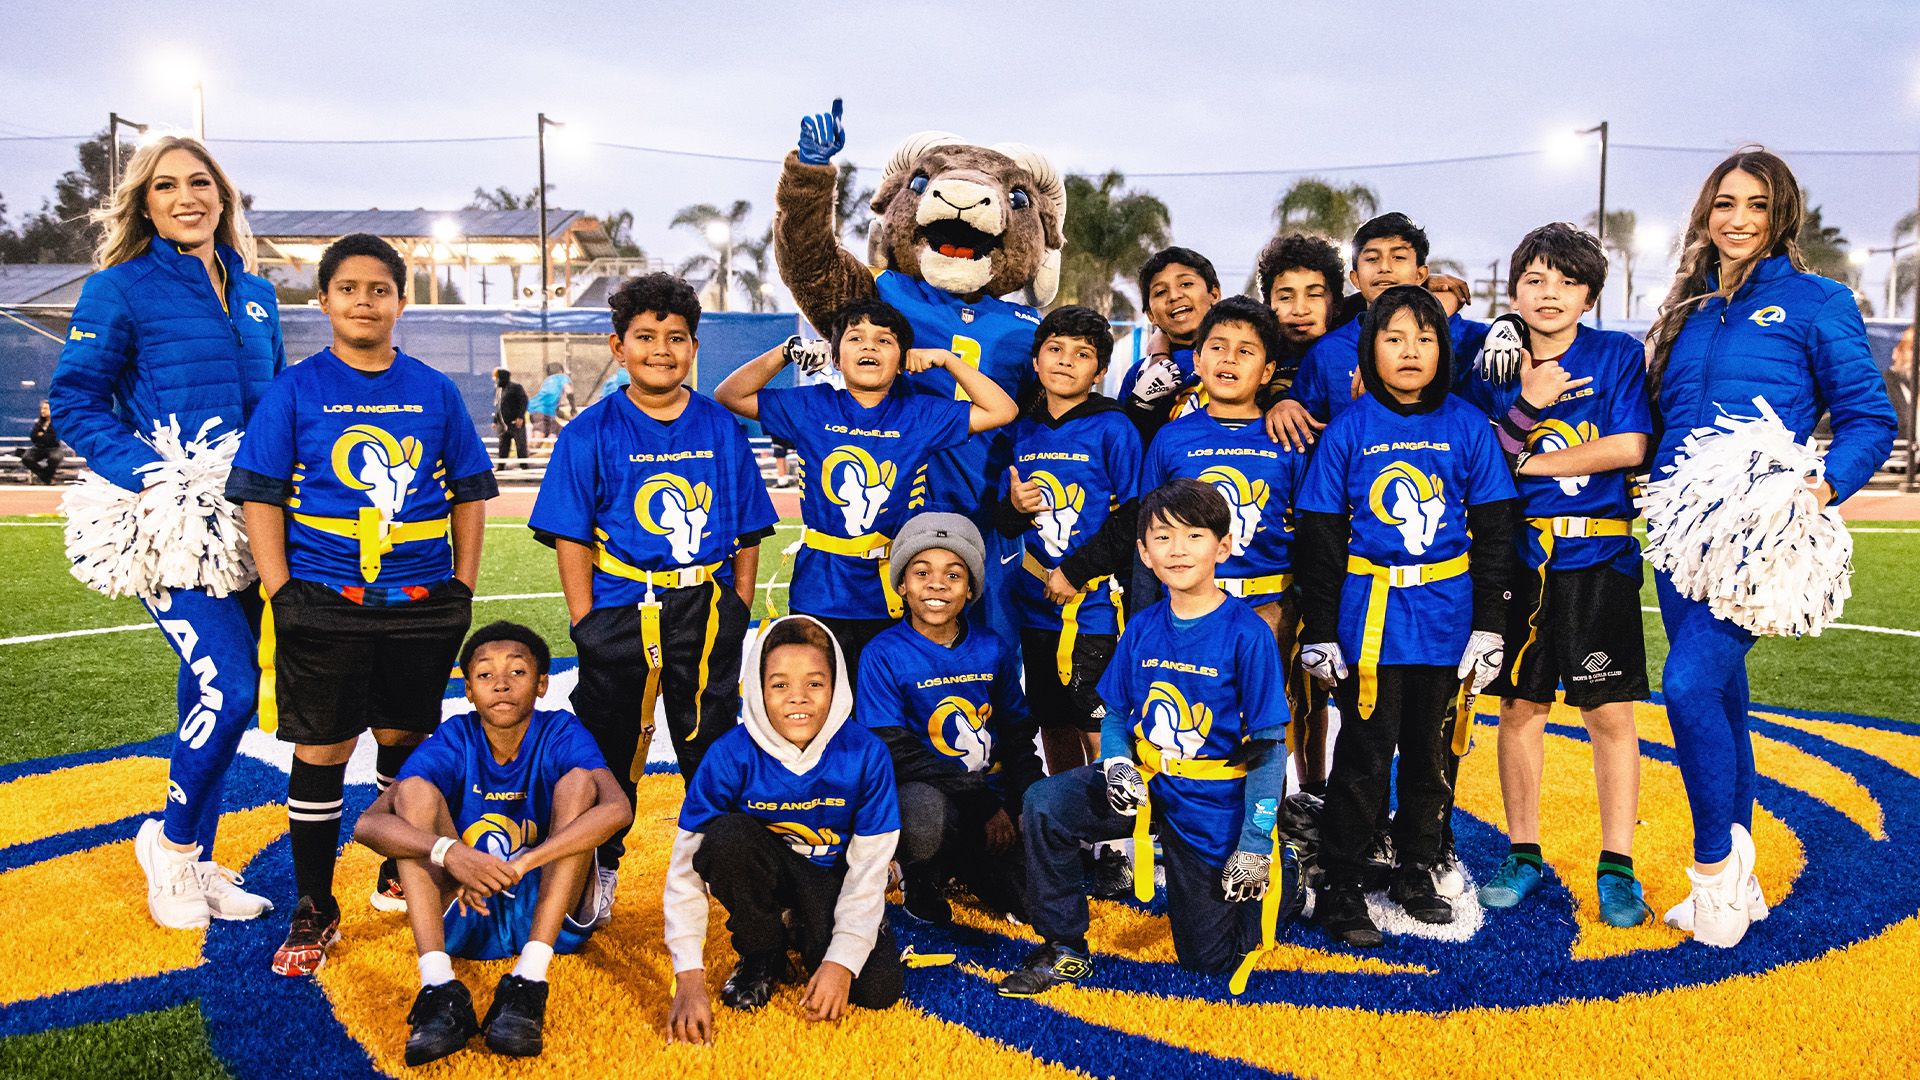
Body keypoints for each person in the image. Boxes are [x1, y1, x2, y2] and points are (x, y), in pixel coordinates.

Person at [1642, 149, 1896, 947]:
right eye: (1724, 203)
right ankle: (1742, 885)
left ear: (1781, 212)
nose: (1738, 218)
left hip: (1757, 535)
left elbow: (1869, 417)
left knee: (1684, 687)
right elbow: (1662, 419)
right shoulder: (1685, 307)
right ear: (1705, 213)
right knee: (1721, 699)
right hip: (1678, 534)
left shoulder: (1820, 302)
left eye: (1756, 203)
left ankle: (1715, 873)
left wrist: (1818, 489)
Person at [227, 232, 495, 975]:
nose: (365, 301)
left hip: (418, 599)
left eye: (380, 289)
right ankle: (314, 901)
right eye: (349, 289)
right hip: (324, 597)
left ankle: (395, 866)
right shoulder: (294, 389)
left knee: (404, 739)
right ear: (324, 301)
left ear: (401, 303)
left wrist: (461, 587)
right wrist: (283, 592)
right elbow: (261, 495)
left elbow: (471, 491)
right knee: (322, 749)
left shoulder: (434, 389)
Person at [50, 136, 284, 930]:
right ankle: (174, 849)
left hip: (251, 518)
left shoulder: (257, 295)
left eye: (200, 182)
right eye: (165, 186)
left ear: (223, 195)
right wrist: (151, 476)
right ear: (143, 204)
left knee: (212, 693)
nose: (187, 197)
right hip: (169, 521)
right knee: (232, 683)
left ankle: (199, 855)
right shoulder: (119, 289)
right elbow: (77, 400)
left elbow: (273, 407)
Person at [528, 272, 777, 910]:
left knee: (712, 742)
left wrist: (739, 606)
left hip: (706, 607)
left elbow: (749, 531)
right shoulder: (589, 431)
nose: (660, 349)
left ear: (694, 347)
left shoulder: (721, 428)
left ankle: (726, 866)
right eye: (645, 337)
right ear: (617, 347)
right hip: (620, 608)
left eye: (675, 337)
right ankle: (599, 864)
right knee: (610, 747)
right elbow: (571, 537)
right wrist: (586, 622)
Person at [999, 479, 1293, 996]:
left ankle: (1287, 871)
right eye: (1163, 536)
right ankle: (1064, 945)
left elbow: (1268, 748)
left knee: (1210, 960)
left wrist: (1253, 846)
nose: (1178, 549)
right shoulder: (1141, 626)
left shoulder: (1248, 633)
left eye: (1194, 535)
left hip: (1211, 796)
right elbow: (1115, 714)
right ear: (1143, 552)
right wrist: (1115, 763)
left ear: (1223, 547)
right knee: (1045, 801)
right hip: (1145, 781)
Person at [1293, 285, 1516, 948]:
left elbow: (1497, 527)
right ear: (1370, 351)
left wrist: (1492, 622)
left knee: (1431, 751)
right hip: (1371, 620)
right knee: (1364, 751)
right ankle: (1340, 878)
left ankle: (1415, 866)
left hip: (1446, 617)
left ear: (1444, 349)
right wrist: (1323, 629)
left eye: (1424, 337)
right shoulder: (1349, 430)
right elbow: (1322, 536)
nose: (1410, 350)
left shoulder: (1467, 425)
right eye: (1394, 338)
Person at [1454, 223, 1654, 927]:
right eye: (1535, 280)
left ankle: (1617, 865)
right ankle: (1523, 850)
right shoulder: (1489, 364)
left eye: (1567, 281)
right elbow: (1475, 452)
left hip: (1597, 556)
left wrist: (1528, 464)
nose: (1550, 294)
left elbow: (1628, 444)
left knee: (1609, 712)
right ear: (1513, 291)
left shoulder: (1617, 354)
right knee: (1519, 707)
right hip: (1519, 559)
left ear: (1590, 293)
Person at [353, 622, 631, 1065]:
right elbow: (368, 824)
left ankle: (530, 982)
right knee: (414, 794)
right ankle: (438, 986)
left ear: (542, 684)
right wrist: (452, 853)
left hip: (548, 908)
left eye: (517, 672)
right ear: (467, 689)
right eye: (485, 675)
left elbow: (618, 809)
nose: (500, 684)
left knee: (579, 785)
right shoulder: (455, 735)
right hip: (465, 906)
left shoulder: (560, 730)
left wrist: (527, 862)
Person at [715, 298, 1018, 673]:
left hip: (893, 591)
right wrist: (786, 351)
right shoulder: (812, 406)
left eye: (885, 340)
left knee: (885, 704)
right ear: (836, 358)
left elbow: (1002, 410)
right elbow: (729, 395)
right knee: (823, 700)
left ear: (904, 360)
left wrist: (948, 359)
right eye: (856, 338)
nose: (870, 346)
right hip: (819, 587)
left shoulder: (920, 413)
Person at [664, 615, 904, 1044]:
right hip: (766, 876)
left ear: (837, 687)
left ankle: (806, 930)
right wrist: (689, 979)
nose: (799, 698)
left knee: (876, 989)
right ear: (756, 690)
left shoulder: (865, 753)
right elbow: (685, 869)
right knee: (728, 838)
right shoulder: (728, 756)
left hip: (830, 883)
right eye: (779, 685)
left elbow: (868, 868)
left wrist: (841, 962)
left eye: (815, 683)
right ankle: (761, 953)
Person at [857, 513, 1039, 923]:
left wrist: (1028, 802)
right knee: (924, 814)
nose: (937, 584)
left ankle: (967, 865)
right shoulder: (882, 653)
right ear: (902, 584)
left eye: (953, 575)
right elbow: (895, 749)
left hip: (991, 799)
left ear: (972, 587)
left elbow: (1016, 731)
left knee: (1035, 904)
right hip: (941, 800)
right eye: (922, 573)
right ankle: (921, 871)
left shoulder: (992, 648)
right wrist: (981, 802)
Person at [993, 305, 1141, 774]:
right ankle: (1071, 830)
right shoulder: (1021, 429)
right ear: (1036, 362)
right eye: (1054, 349)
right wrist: (1013, 509)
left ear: (1099, 370)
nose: (1064, 361)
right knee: (1051, 720)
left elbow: (1135, 514)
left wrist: (1076, 571)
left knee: (1095, 720)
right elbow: (1006, 520)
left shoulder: (1114, 426)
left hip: (1092, 605)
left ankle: (1110, 837)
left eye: (1081, 354)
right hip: (1035, 605)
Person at [1251, 233, 1348, 791]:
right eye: (1285, 295)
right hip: (1271, 538)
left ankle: (1315, 792)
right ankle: (1280, 795)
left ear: (1335, 299)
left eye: (1314, 293)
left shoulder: (1357, 346)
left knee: (1322, 676)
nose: (1300, 307)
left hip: (1341, 533)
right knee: (1279, 679)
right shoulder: (1256, 350)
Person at [1268, 214, 1491, 450]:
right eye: (1372, 258)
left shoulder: (1459, 334)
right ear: (1354, 278)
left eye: (1398, 257)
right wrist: (1282, 401)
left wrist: (1508, 324)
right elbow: (1302, 429)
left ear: (1420, 274)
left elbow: (1514, 342)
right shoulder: (1326, 350)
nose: (1385, 267)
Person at [1115, 247, 1223, 443]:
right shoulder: (1139, 374)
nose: (1174, 296)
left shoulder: (1241, 358)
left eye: (1186, 283)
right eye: (1160, 292)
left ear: (1214, 295)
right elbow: (1123, 447)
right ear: (1150, 315)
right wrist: (1139, 407)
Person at [493, 368, 529, 470]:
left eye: (497, 378)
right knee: (503, 446)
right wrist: (495, 420)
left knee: (521, 446)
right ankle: (501, 467)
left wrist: (520, 416)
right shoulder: (499, 391)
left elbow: (523, 401)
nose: (496, 381)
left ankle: (524, 467)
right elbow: (498, 406)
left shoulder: (515, 388)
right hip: (504, 425)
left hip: (515, 423)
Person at [526, 363, 572, 441]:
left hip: (538, 413)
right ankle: (524, 452)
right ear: (561, 371)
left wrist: (571, 419)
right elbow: (569, 391)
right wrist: (573, 409)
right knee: (537, 441)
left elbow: (557, 412)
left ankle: (555, 450)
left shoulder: (548, 383)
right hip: (542, 414)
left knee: (561, 431)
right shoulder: (561, 377)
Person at [21, 400, 63, 483]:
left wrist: (41, 435)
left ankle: (46, 477)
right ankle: (46, 476)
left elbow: (53, 439)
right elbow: (33, 437)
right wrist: (44, 436)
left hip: (53, 448)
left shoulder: (58, 423)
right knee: (26, 458)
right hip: (39, 447)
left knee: (55, 458)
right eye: (42, 408)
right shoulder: (38, 423)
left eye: (45, 408)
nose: (42, 411)